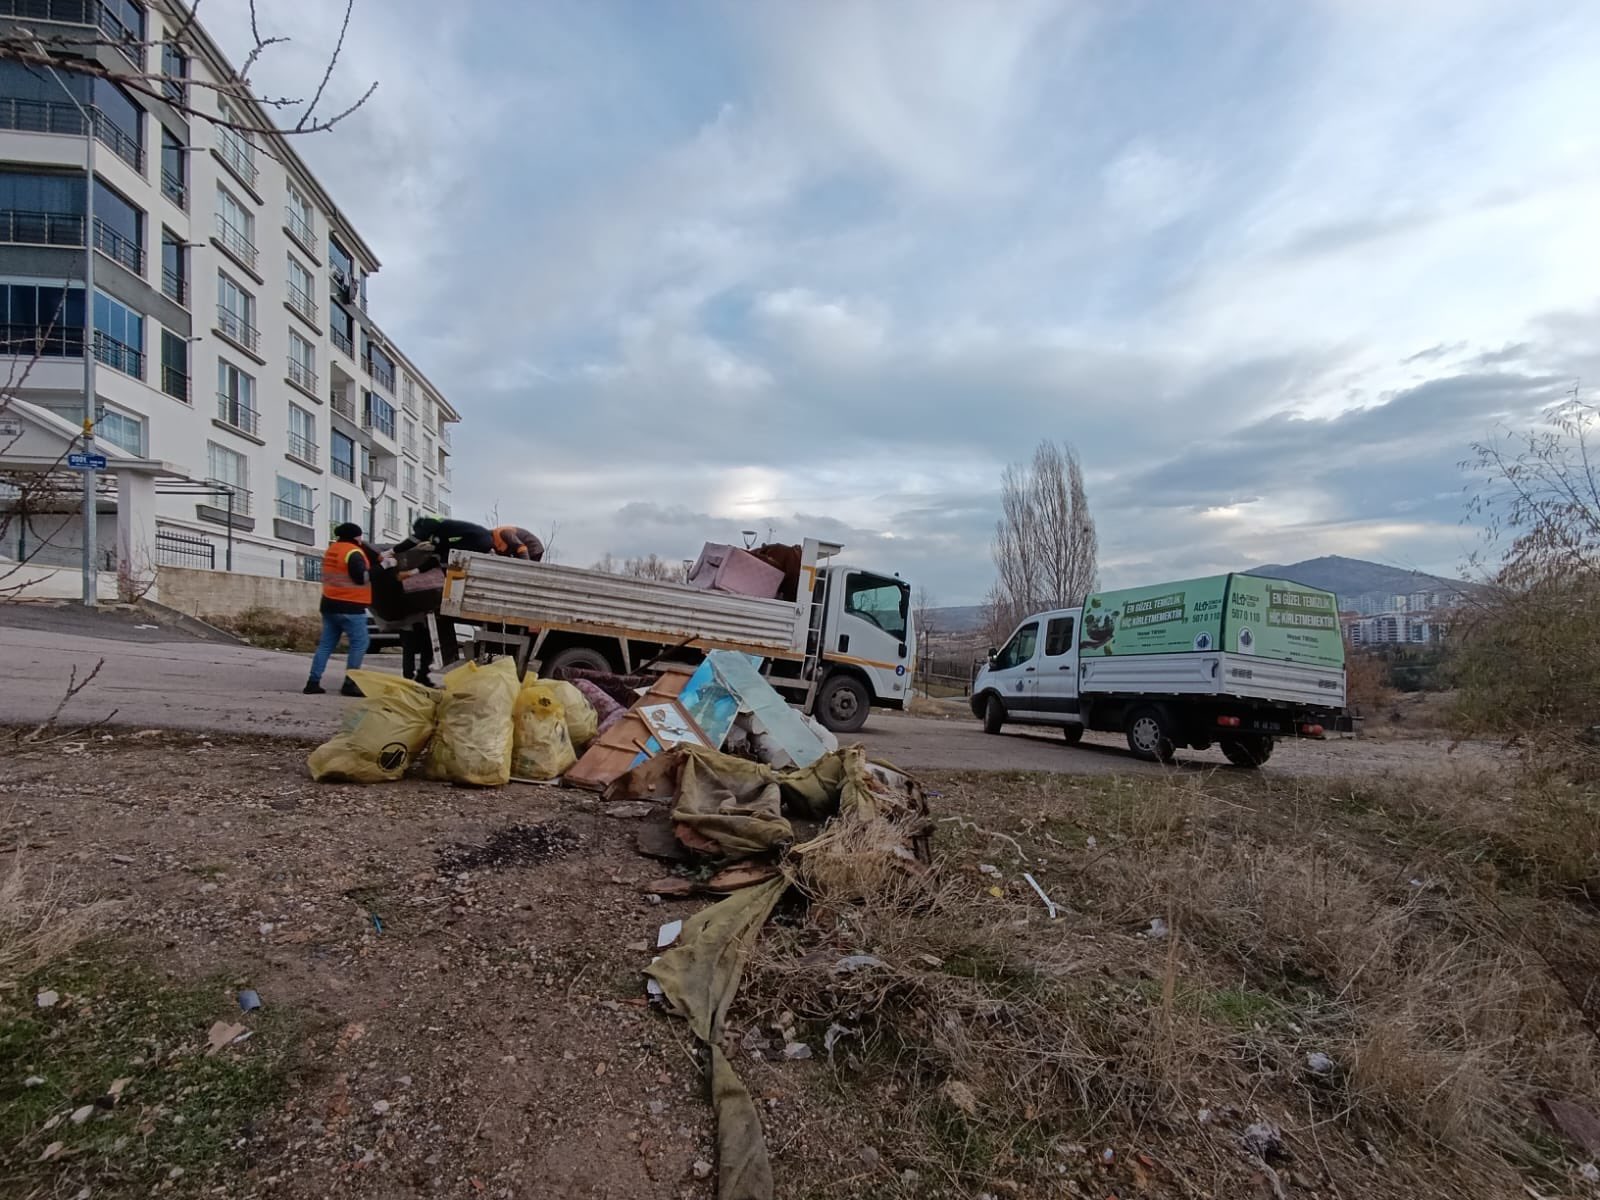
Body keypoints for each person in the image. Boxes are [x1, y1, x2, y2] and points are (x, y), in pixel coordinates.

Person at [305, 522, 372, 697]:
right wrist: (381, 569)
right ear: (355, 536)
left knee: (326, 645)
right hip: (351, 607)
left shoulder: (332, 550)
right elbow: (361, 578)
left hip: (329, 604)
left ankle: (313, 682)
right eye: (359, 535)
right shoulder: (354, 553)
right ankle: (350, 683)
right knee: (360, 644)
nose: (361, 539)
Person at [412, 516, 494, 559]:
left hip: (478, 541)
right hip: (484, 540)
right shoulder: (442, 525)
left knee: (448, 552)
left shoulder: (441, 530)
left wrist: (433, 547)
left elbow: (444, 544)